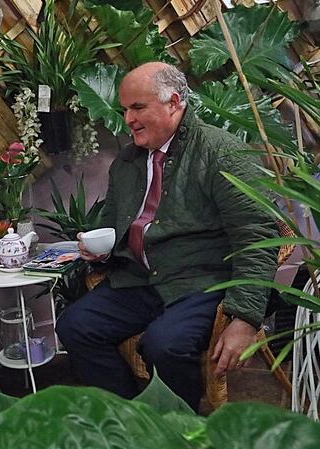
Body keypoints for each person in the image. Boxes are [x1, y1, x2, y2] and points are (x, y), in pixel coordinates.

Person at [55, 62, 279, 411]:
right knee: (75, 326)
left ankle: (180, 429)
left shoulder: (221, 152)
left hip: (201, 281)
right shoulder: (127, 163)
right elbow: (117, 227)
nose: (127, 119)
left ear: (174, 102)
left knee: (165, 344)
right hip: (141, 280)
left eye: (137, 107)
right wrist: (102, 251)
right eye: (124, 109)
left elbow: (257, 236)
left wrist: (246, 318)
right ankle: (134, 416)